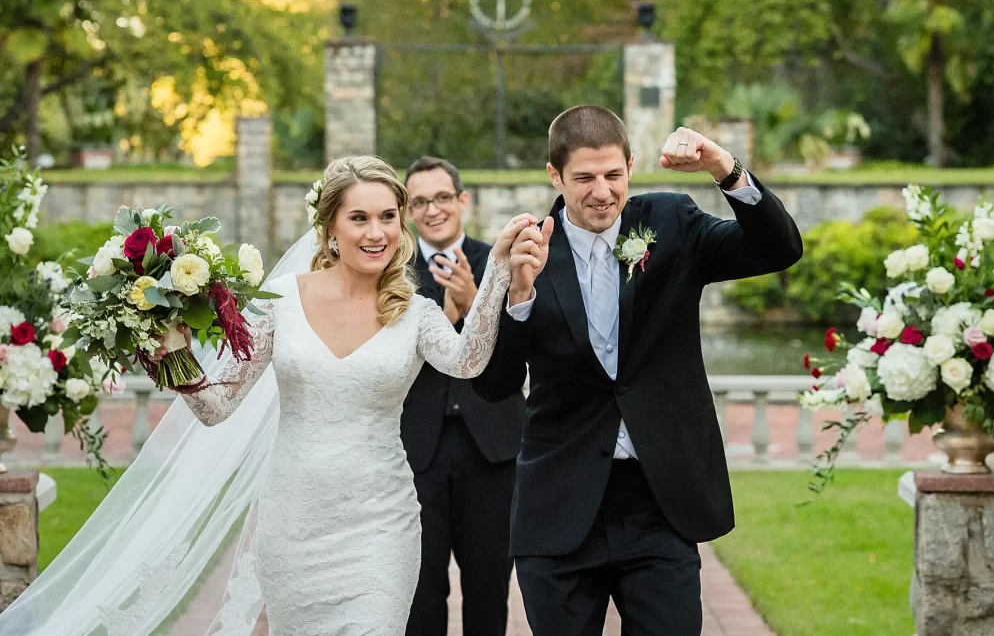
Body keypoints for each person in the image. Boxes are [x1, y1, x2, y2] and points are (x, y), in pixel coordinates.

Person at [0, 156, 539, 636]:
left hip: (382, 524)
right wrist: (167, 352)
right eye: (359, 218)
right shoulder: (280, 301)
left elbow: (468, 361)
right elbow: (216, 407)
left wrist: (496, 275)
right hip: (294, 525)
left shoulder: (415, 311)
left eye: (387, 217)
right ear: (330, 227)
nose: (376, 232)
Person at [473, 105, 804, 635]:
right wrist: (517, 297)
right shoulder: (526, 251)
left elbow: (779, 248)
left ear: (630, 165)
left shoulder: (670, 223)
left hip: (660, 500)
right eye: (583, 178)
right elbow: (494, 385)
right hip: (560, 505)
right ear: (555, 176)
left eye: (613, 175)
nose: (601, 191)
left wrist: (724, 167)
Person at [401, 156, 524, 636]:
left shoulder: (502, 261)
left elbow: (524, 354)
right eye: (420, 202)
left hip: (493, 447)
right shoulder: (392, 272)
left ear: (462, 201)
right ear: (410, 211)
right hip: (417, 448)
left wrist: (475, 305)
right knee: (420, 588)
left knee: (489, 586)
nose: (433, 210)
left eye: (442, 198)